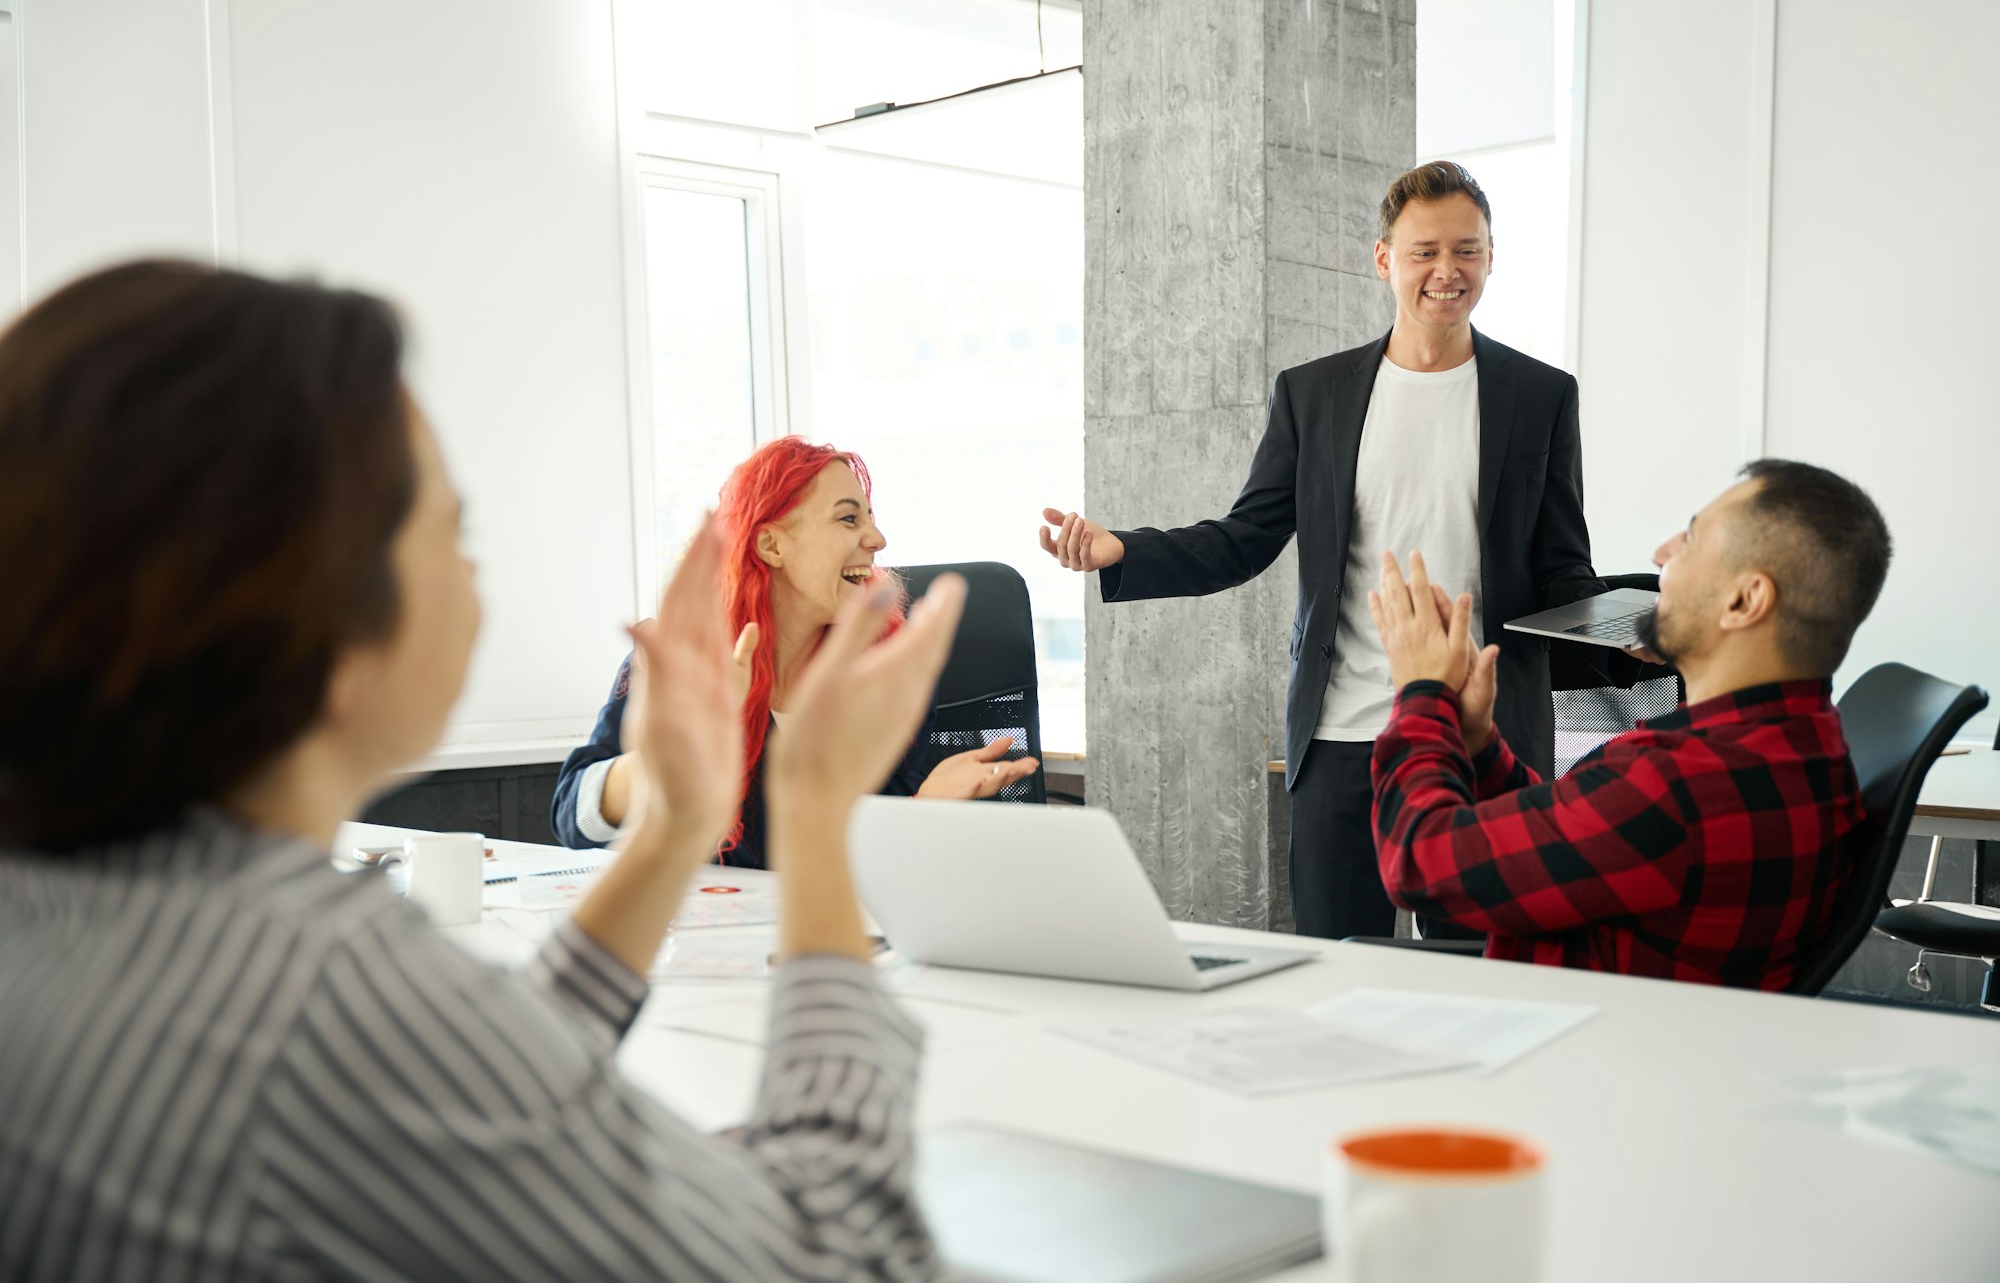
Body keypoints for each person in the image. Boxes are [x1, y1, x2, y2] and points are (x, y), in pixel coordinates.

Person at [0, 259, 958, 1280]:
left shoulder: (66, 917)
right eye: (454, 528)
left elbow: (469, 1100)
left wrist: (679, 824)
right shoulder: (332, 1004)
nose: (471, 571)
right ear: (319, 618)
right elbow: (846, 1260)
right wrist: (812, 817)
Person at [1038, 161, 1607, 939]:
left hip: (1484, 737)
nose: (1448, 271)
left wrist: (1638, 628)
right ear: (1384, 260)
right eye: (1425, 251)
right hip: (1344, 737)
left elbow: (1564, 568)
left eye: (1467, 250)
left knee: (1481, 978)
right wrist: (1121, 552)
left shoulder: (1542, 395)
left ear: (1491, 256)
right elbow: (1243, 541)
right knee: (1340, 972)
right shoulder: (1314, 395)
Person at [1367, 460, 1893, 989]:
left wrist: (1422, 694)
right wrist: (1478, 745)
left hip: (1554, 1042)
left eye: (1690, 540)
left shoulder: (1676, 785)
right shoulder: (1805, 742)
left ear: (1744, 600)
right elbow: (1583, 835)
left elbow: (1417, 861)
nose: (1661, 553)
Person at [552, 435, 1039, 858]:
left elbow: (857, 860)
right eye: (848, 520)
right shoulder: (686, 661)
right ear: (772, 546)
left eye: (869, 517)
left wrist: (921, 811)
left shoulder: (891, 676)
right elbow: (571, 816)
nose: (877, 538)